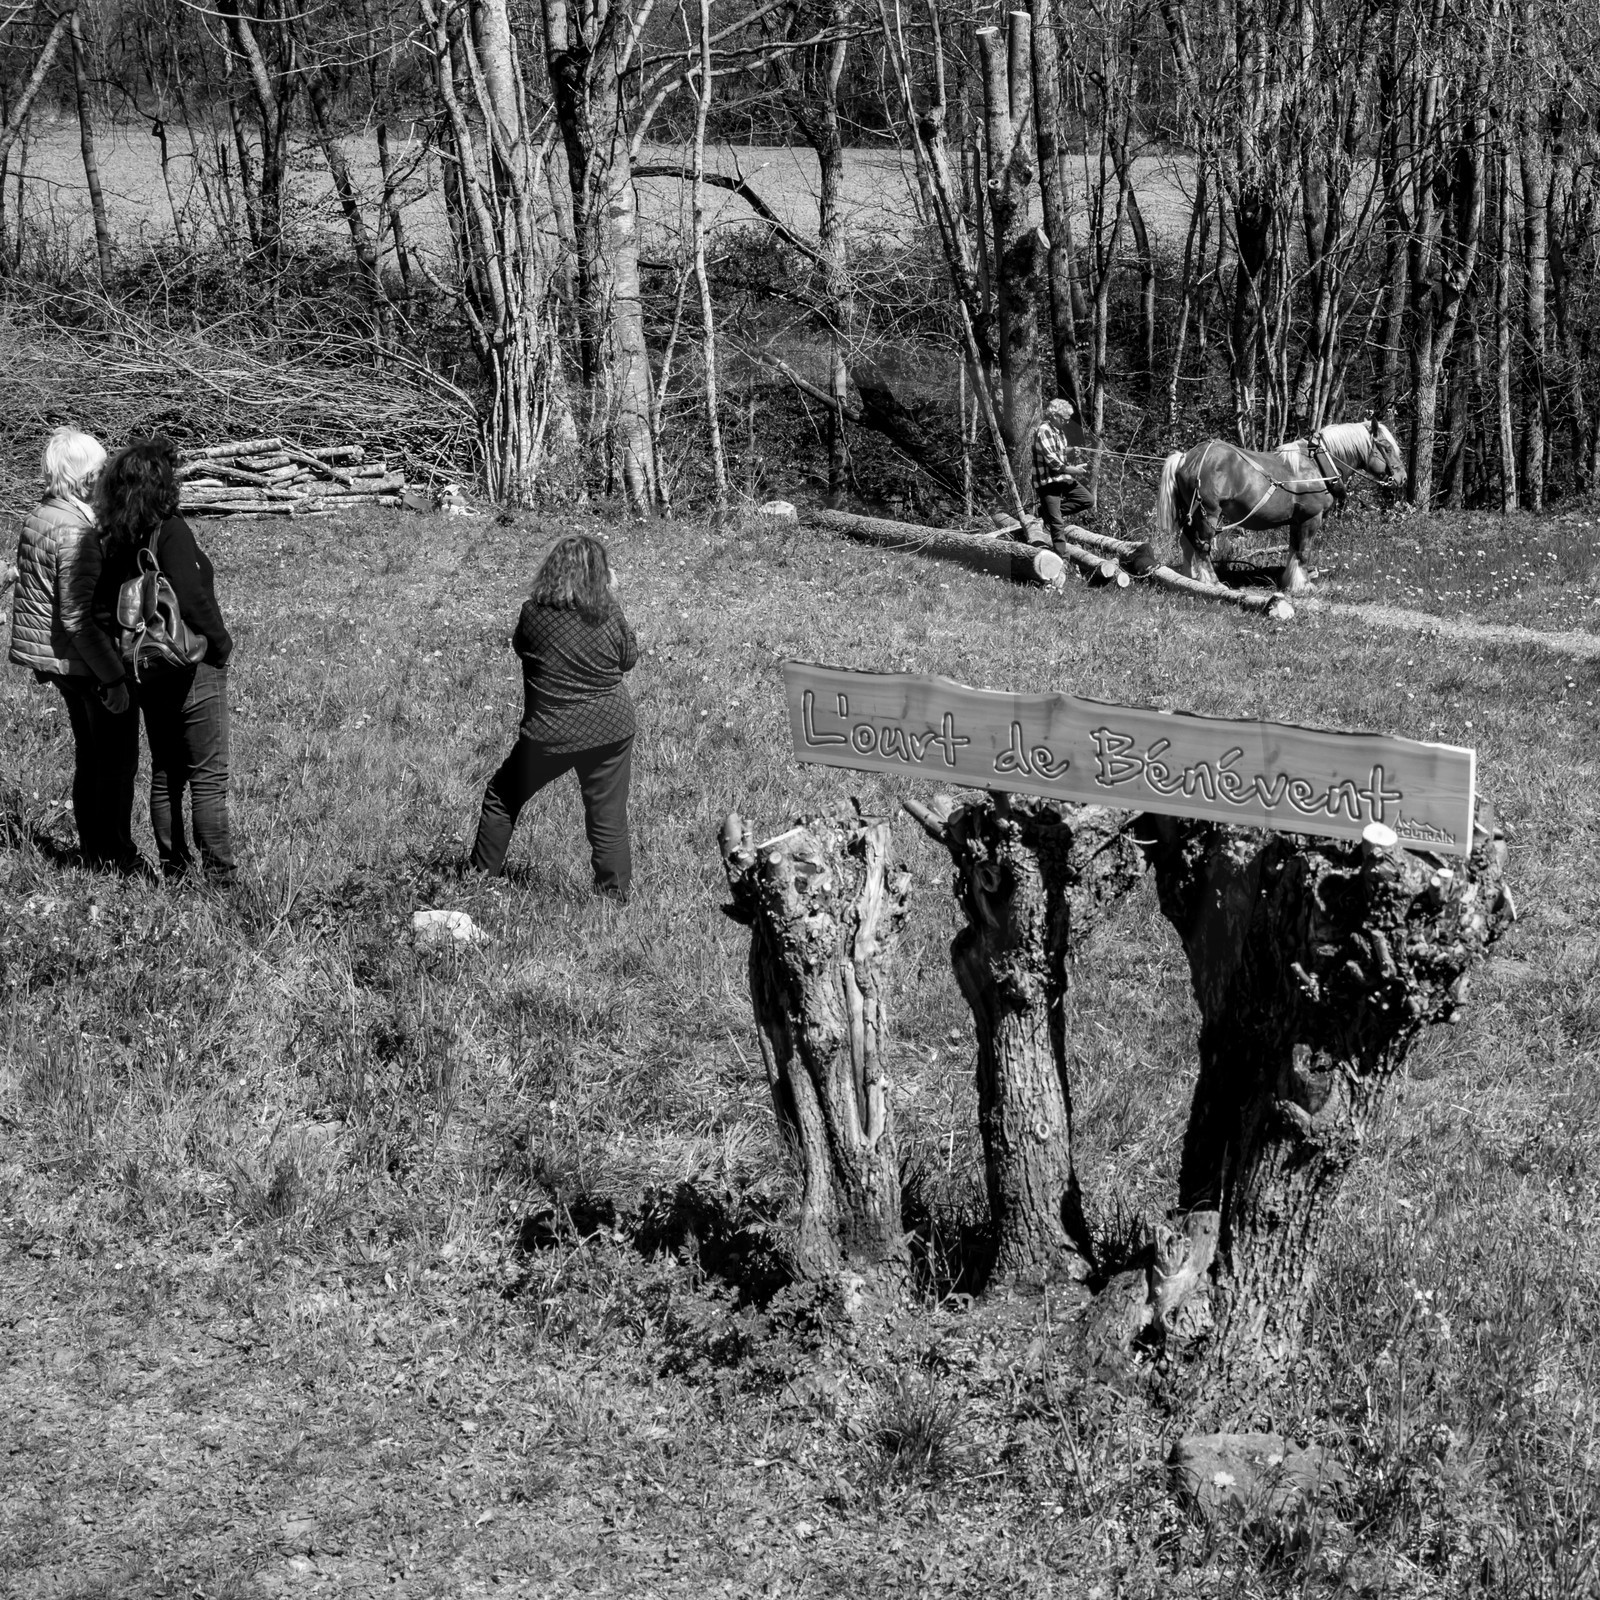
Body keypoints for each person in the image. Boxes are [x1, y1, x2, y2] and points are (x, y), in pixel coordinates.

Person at [96, 437, 237, 885]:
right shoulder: (171, 529)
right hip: (188, 664)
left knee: (166, 772)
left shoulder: (114, 538)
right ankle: (220, 879)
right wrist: (221, 646)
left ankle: (176, 873)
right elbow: (193, 600)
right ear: (161, 485)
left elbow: (102, 609)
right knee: (208, 777)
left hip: (144, 669)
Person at [470, 534, 638, 899]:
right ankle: (613, 898)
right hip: (610, 727)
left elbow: (520, 647)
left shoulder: (533, 613)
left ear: (553, 570)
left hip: (551, 733)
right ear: (600, 574)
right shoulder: (607, 611)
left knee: (503, 796)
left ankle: (478, 883)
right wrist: (611, 598)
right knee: (607, 816)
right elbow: (629, 658)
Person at [8, 427, 141, 870]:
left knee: (91, 754)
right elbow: (78, 619)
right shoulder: (75, 533)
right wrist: (114, 678)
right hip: (83, 662)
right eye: (101, 471)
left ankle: (95, 850)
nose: (106, 478)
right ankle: (114, 854)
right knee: (116, 760)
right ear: (84, 478)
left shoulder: (40, 516)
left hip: (58, 659)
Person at [1031, 397, 1096, 556]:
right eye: (1064, 419)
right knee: (1057, 522)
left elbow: (1057, 451)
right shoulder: (1044, 430)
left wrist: (1071, 450)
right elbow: (1053, 462)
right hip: (1048, 481)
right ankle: (1062, 556)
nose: (1067, 422)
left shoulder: (1058, 430)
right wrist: (1074, 470)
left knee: (1087, 499)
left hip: (1060, 478)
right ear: (1054, 415)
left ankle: (1046, 513)